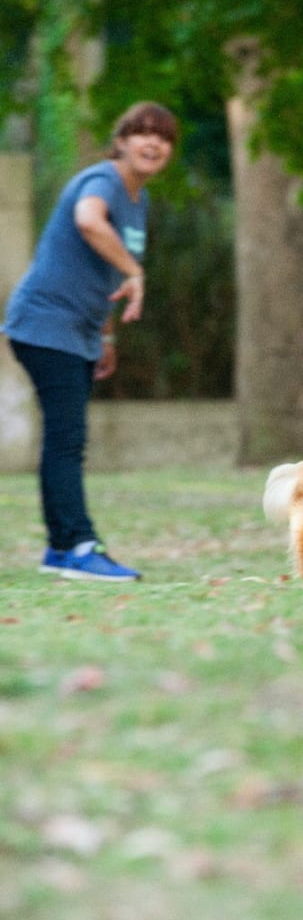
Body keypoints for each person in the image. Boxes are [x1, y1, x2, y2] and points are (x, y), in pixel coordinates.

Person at [2, 101, 178, 580]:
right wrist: (134, 270)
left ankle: (63, 549)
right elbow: (87, 222)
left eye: (162, 137)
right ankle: (76, 547)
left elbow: (99, 272)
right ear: (120, 141)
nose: (152, 142)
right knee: (66, 441)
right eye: (141, 132)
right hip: (45, 324)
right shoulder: (102, 182)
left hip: (76, 330)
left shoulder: (138, 202)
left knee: (65, 440)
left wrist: (107, 336)